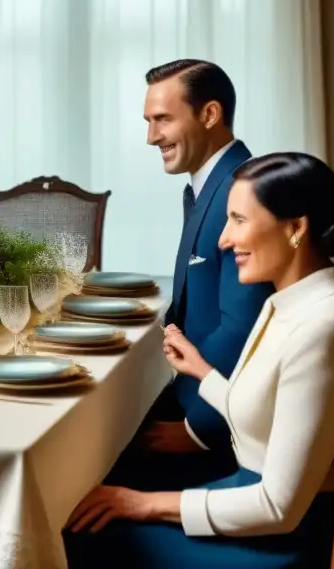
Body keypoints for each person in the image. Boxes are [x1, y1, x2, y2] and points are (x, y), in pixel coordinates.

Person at [64, 152, 334, 568]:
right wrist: (201, 369)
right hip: (261, 507)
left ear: (295, 228)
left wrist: (140, 504)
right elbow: (271, 415)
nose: (223, 239)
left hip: (284, 538)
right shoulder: (298, 303)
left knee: (78, 533)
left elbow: (276, 508)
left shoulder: (322, 327)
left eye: (239, 220)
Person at [113, 59, 273, 489]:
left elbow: (243, 328)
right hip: (196, 399)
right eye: (148, 121)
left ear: (209, 114)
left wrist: (196, 431)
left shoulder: (242, 190)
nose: (151, 137)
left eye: (163, 119)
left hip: (216, 432)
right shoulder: (211, 183)